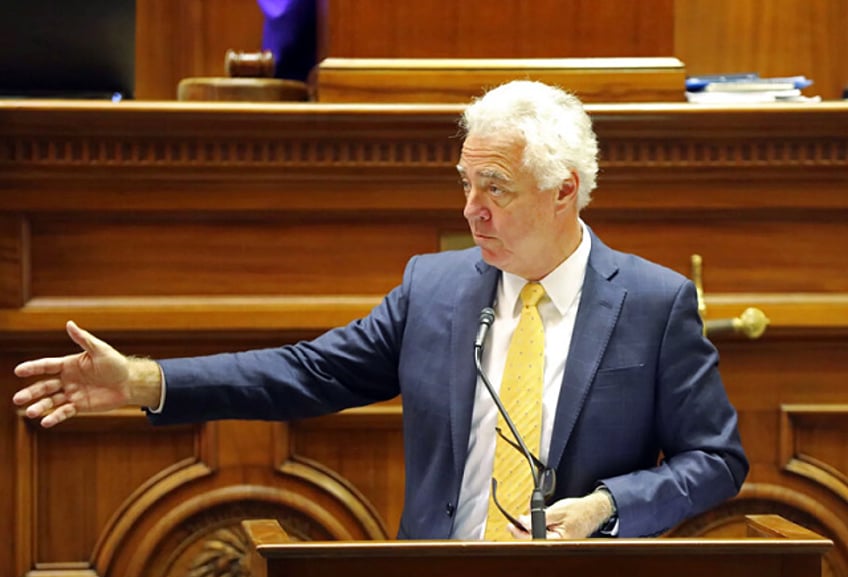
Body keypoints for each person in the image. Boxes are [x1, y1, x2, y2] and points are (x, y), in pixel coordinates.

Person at [12, 80, 748, 541]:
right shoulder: (435, 290)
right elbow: (303, 373)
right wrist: (142, 381)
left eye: (496, 188)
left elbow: (715, 460)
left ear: (565, 190)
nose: (472, 210)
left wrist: (607, 507)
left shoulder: (653, 303)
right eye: (465, 183)